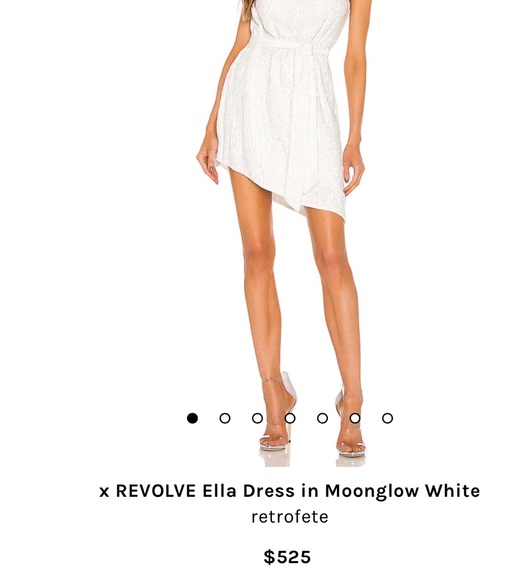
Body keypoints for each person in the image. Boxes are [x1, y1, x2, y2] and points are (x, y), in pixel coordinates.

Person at [196, 0, 371, 457]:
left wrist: (354, 137)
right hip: (249, 103)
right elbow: (242, 40)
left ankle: (352, 403)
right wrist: (212, 124)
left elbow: (355, 54)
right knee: (257, 253)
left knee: (332, 258)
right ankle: (274, 399)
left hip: (311, 105)